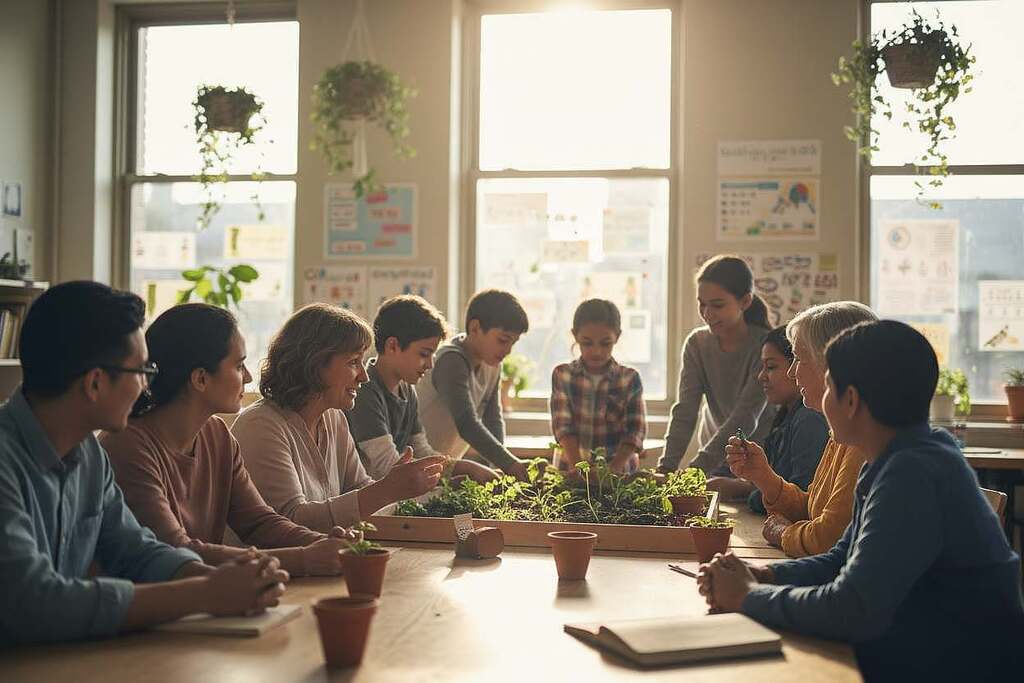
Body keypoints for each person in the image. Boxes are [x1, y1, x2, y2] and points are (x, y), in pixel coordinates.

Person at [698, 320, 1024, 680]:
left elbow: (852, 609)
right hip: (918, 649)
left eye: (828, 387)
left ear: (850, 400)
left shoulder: (913, 473)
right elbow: (842, 557)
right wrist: (764, 575)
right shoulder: (896, 456)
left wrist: (746, 597)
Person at [0, 282, 287, 644]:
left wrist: (214, 581)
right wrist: (203, 594)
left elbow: (136, 550)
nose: (147, 388)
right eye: (142, 373)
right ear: (95, 383)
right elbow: (33, 602)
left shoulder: (88, 455)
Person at [101, 304, 352, 577]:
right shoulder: (128, 445)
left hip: (204, 600)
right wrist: (303, 559)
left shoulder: (217, 434)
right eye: (239, 365)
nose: (248, 377)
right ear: (200, 378)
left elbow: (259, 522)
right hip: (154, 608)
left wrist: (325, 544)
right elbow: (175, 550)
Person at [232, 304, 445, 531]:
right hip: (271, 564)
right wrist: (386, 490)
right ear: (315, 364)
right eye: (354, 362)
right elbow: (291, 522)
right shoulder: (262, 426)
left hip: (323, 561)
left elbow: (361, 487)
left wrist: (401, 491)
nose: (363, 376)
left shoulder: (334, 419)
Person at [726, 302, 876, 557]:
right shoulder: (841, 431)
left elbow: (827, 539)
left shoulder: (865, 440)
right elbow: (813, 508)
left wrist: (784, 533)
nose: (793, 372)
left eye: (799, 358)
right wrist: (764, 478)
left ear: (832, 364)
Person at [346, 295, 496, 483]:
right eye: (424, 354)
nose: (430, 364)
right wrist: (450, 478)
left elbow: (422, 450)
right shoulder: (366, 391)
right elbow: (388, 466)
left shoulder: (407, 390)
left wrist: (461, 468)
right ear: (392, 346)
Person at [657, 255, 775, 478]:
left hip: (758, 458)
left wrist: (694, 471)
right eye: (702, 303)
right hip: (714, 458)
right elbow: (685, 410)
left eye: (718, 305)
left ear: (745, 302)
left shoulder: (764, 346)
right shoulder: (697, 344)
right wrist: (666, 468)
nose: (707, 314)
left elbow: (745, 416)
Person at [708, 326, 829, 511]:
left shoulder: (809, 419)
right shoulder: (785, 417)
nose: (761, 376)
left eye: (771, 367)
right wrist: (751, 481)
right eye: (761, 367)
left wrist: (745, 489)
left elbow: (803, 503)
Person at [416, 289, 532, 481]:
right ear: (475, 327)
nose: (508, 350)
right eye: (503, 340)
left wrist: (499, 467)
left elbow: (492, 419)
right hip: (419, 462)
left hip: (443, 466)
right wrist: (509, 464)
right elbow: (467, 423)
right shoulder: (451, 360)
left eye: (513, 342)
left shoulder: (492, 365)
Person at [549, 299, 646, 475]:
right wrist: (579, 468)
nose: (596, 351)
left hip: (619, 477)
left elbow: (634, 430)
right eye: (587, 343)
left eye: (605, 343)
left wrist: (612, 470)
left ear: (617, 336)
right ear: (575, 335)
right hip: (571, 472)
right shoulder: (562, 375)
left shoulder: (629, 378)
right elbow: (563, 427)